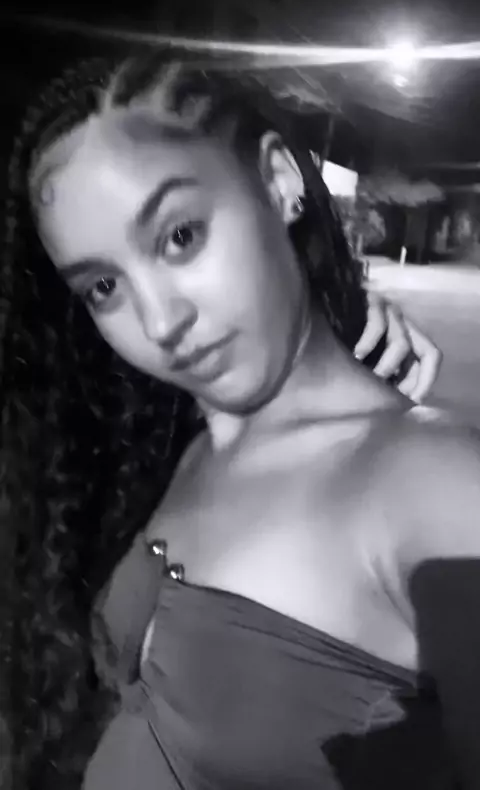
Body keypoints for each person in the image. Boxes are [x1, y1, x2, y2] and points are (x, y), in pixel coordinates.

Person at [2, 51, 476, 790]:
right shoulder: (167, 446)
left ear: (280, 181)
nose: (160, 322)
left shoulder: (435, 486)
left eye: (180, 237)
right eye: (104, 287)